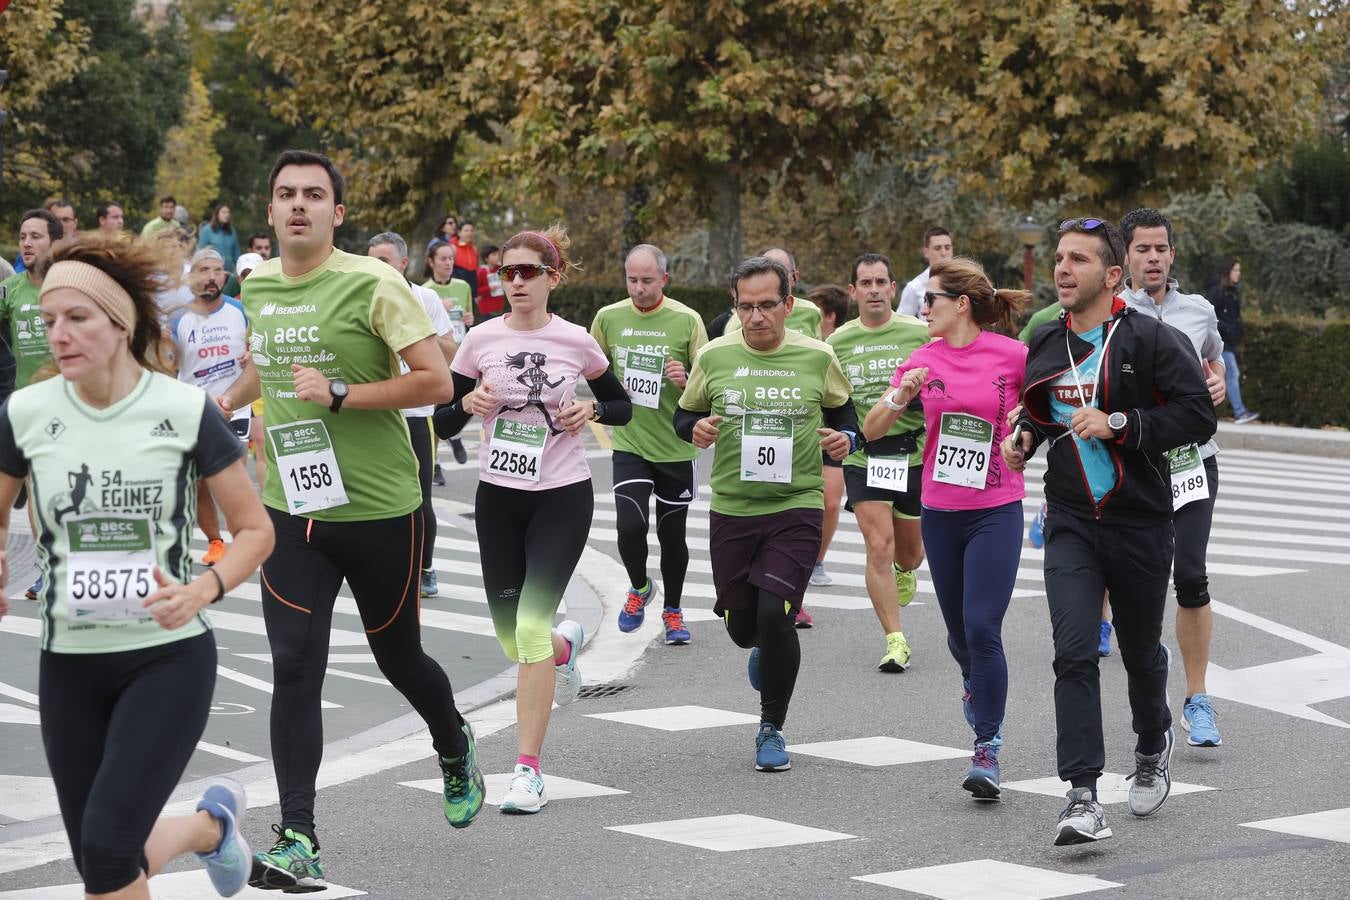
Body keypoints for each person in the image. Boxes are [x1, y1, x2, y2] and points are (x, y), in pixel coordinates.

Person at [217, 150, 483, 890]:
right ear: (267, 212)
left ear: (338, 212)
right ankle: (297, 835)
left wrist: (341, 391)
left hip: (377, 509)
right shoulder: (261, 284)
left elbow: (434, 380)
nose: (298, 205)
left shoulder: (375, 282)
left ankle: (452, 739)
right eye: (284, 195)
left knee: (399, 659)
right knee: (295, 667)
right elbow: (266, 363)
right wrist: (228, 403)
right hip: (293, 508)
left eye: (313, 195)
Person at [0, 233, 274, 899]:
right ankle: (209, 829)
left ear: (120, 323)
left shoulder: (181, 410)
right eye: (47, 322)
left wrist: (204, 587)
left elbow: (255, 531)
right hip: (67, 663)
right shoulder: (26, 413)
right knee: (103, 860)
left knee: (107, 844)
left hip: (167, 657)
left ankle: (208, 829)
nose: (58, 335)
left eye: (77, 318)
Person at [1003, 217, 1217, 846]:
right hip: (1070, 520)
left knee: (1139, 652)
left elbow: (1196, 415)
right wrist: (1025, 438)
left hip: (1141, 521)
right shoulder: (1046, 336)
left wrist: (1121, 422)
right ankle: (1081, 795)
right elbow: (1039, 408)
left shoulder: (1151, 339)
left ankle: (1152, 743)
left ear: (1111, 274)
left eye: (1077, 261)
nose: (1062, 270)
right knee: (1072, 652)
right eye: (1059, 259)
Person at [434, 225, 632, 812]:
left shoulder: (575, 341)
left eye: (528, 272)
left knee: (526, 631)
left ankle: (527, 770)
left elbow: (619, 404)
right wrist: (465, 405)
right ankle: (564, 649)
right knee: (513, 637)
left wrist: (592, 408)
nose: (515, 281)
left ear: (552, 277)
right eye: (506, 272)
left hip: (561, 497)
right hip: (498, 498)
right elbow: (442, 419)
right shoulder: (479, 339)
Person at [676, 256, 859, 772]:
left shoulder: (817, 356)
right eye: (745, 306)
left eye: (766, 305)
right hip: (733, 506)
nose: (756, 317)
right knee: (742, 626)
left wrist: (846, 437)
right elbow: (684, 414)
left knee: (776, 616)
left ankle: (771, 727)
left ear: (788, 305)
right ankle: (761, 647)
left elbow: (845, 412)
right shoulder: (714, 357)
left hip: (795, 504)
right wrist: (694, 428)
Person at [867, 257, 1029, 799]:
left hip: (996, 507)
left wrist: (1021, 430)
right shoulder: (921, 359)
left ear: (960, 303)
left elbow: (1041, 411)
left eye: (930, 299)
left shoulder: (1011, 355)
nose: (922, 308)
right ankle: (971, 682)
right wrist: (901, 395)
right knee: (960, 636)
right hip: (940, 509)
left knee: (983, 627)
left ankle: (988, 746)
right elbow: (873, 427)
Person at [1119, 208, 1229, 748]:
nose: (1154, 257)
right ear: (1127, 257)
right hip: (1138, 463)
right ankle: (1150, 695)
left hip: (1192, 459)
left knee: (1190, 573)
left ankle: (1198, 698)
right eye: (1143, 249)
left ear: (1172, 254)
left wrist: (1217, 385)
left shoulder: (1199, 312)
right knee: (1139, 582)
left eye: (1161, 248)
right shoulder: (1112, 314)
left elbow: (1215, 361)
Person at [590, 243, 707, 644]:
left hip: (675, 445)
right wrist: (609, 390)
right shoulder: (608, 317)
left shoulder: (687, 320)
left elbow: (706, 385)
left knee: (672, 536)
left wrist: (685, 377)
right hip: (630, 442)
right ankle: (639, 587)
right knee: (630, 525)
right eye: (631, 279)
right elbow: (592, 368)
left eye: (646, 280)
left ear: (664, 280)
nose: (638, 288)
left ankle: (673, 610)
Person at [833, 255, 929, 673]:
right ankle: (895, 639)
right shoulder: (836, 342)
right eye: (865, 282)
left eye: (880, 282)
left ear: (893, 289)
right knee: (878, 545)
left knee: (908, 555)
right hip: (863, 455)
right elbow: (830, 399)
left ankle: (904, 570)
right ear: (853, 291)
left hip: (914, 452)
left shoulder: (920, 333)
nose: (873, 289)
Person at [367, 231, 457, 599]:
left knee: (421, 499)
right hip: (376, 413)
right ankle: (382, 566)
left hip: (417, 415)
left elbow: (452, 351)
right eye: (371, 260)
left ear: (403, 264)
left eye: (384, 261)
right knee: (375, 498)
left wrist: (416, 336)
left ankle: (426, 567)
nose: (376, 268)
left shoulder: (425, 298)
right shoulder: (363, 298)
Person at [169, 247, 250, 566]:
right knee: (201, 482)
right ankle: (216, 542)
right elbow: (168, 367)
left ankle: (242, 538)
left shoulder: (240, 311)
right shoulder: (178, 318)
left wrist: (251, 355)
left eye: (217, 271)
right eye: (204, 270)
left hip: (235, 405)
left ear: (225, 277)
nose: (211, 277)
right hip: (197, 409)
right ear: (191, 277)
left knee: (234, 478)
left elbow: (260, 347)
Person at [2, 209, 62, 601]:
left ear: (53, 243)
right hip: (26, 407)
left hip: (67, 402)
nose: (27, 243)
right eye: (23, 236)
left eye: (36, 236)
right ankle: (47, 567)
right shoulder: (13, 290)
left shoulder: (65, 286)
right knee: (37, 493)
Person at [807, 284, 850, 591]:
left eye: (816, 312)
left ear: (830, 317)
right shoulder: (802, 346)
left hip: (830, 433)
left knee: (831, 503)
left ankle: (817, 561)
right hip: (799, 435)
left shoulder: (841, 346)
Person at [423, 241, 475, 467]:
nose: (448, 263)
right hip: (438, 357)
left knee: (468, 403)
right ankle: (434, 465)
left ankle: (455, 436)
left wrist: (469, 320)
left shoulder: (463, 286)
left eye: (451, 258)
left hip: (462, 356)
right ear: (431, 262)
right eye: (442, 259)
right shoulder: (425, 291)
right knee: (435, 412)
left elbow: (469, 317)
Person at [724, 247, 823, 340]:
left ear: (794, 277)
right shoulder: (737, 318)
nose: (756, 318)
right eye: (765, 272)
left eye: (768, 305)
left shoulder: (813, 312)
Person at [1207, 257, 1258, 424]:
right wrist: (1226, 329)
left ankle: (1234, 411)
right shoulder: (1217, 291)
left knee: (1218, 376)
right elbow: (1210, 315)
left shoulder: (1233, 292)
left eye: (1239, 270)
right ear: (1227, 271)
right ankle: (1240, 412)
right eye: (1235, 270)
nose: (1238, 274)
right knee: (1232, 373)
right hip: (1220, 341)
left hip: (1229, 341)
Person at [235, 253, 269, 489]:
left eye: (254, 273)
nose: (250, 279)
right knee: (250, 445)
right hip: (242, 384)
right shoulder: (234, 305)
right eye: (245, 275)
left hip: (270, 381)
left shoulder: (276, 301)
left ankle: (272, 507)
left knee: (265, 444)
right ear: (239, 278)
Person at [898, 228, 955, 317]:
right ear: (926, 252)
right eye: (937, 248)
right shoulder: (914, 286)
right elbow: (901, 323)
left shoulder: (965, 281)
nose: (944, 253)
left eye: (947, 247)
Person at [197, 204, 242, 275]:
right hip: (213, 272)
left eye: (228, 212)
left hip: (229, 272)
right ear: (217, 214)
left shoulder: (232, 231)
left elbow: (236, 254)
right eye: (223, 212)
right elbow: (200, 252)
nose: (227, 214)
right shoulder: (207, 230)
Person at [449, 221, 480, 300]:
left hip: (471, 288)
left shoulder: (474, 248)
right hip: (457, 287)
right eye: (466, 230)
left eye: (471, 231)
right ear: (459, 232)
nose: (469, 233)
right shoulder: (452, 247)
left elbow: (476, 269)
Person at [476, 244, 506, 319]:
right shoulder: (481, 272)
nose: (497, 257)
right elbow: (476, 291)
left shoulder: (500, 269)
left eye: (498, 254)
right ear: (486, 258)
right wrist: (489, 289)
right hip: (487, 310)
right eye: (494, 255)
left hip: (500, 308)